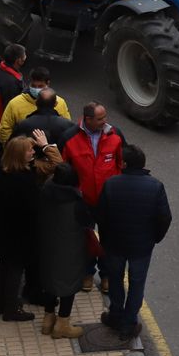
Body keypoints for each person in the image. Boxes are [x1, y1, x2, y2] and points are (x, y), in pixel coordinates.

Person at [97, 143, 172, 340]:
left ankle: (115, 315)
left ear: (124, 163)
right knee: (137, 284)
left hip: (114, 244)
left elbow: (101, 216)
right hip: (141, 247)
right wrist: (154, 238)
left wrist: (104, 239)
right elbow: (164, 217)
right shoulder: (155, 186)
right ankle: (129, 324)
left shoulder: (111, 184)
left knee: (115, 280)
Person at [63, 103, 126, 293]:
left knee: (108, 240)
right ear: (87, 119)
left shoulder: (115, 134)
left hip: (109, 202)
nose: (105, 121)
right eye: (100, 119)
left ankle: (106, 275)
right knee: (86, 238)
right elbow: (63, 169)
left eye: (105, 116)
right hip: (83, 202)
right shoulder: (69, 138)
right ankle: (87, 273)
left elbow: (122, 163)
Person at [35, 161, 91, 339]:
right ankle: (62, 324)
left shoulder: (44, 192)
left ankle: (48, 318)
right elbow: (87, 223)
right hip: (70, 249)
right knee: (69, 283)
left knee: (50, 281)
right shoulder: (76, 201)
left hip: (46, 245)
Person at [0, 134, 43, 322]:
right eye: (30, 150)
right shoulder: (24, 179)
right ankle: (12, 309)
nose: (33, 152)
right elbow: (33, 207)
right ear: (20, 154)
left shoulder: (2, 172)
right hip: (20, 233)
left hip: (3, 229)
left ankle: (2, 303)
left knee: (4, 265)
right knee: (15, 269)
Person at [0, 66, 71, 143]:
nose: (36, 89)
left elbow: (68, 131)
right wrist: (12, 149)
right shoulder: (14, 103)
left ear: (48, 83)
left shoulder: (61, 103)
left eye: (40, 86)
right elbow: (5, 129)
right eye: (34, 86)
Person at [9, 88, 75, 151]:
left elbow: (12, 146)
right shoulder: (68, 126)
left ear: (36, 102)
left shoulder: (23, 125)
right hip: (59, 161)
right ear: (56, 104)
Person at [0, 45, 26, 138]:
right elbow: (11, 109)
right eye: (24, 56)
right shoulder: (11, 82)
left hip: (0, 123)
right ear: (18, 61)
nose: (25, 57)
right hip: (6, 128)